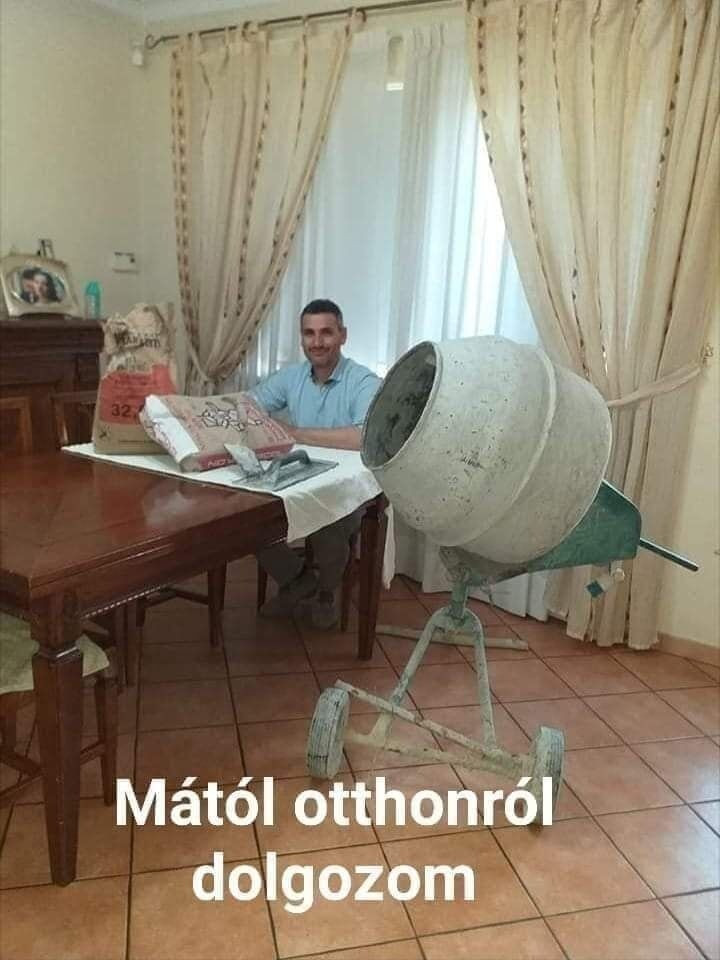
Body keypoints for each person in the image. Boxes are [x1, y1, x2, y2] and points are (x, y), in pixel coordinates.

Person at [250, 299, 381, 629]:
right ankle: (297, 580)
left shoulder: (364, 381)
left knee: (327, 522)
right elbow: (247, 406)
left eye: (326, 332)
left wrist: (295, 434)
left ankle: (326, 594)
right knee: (249, 517)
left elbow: (363, 437)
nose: (317, 341)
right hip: (299, 475)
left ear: (343, 335)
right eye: (309, 333)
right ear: (301, 338)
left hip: (348, 485)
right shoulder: (292, 376)